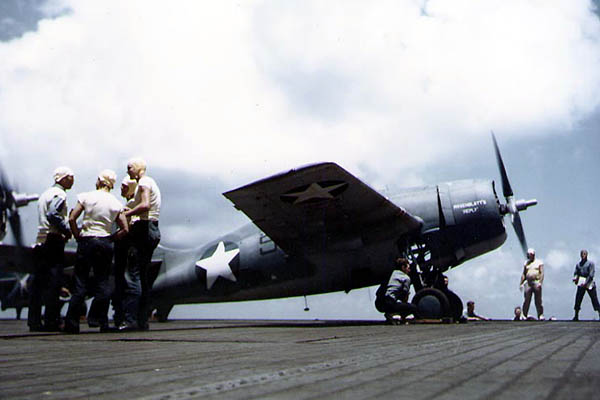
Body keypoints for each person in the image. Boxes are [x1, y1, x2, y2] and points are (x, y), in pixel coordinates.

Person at [63, 170, 128, 333]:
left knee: (80, 282)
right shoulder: (116, 203)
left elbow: (72, 218)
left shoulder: (86, 196)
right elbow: (125, 228)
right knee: (103, 283)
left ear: (99, 181)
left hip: (87, 241)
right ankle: (102, 323)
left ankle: (72, 323)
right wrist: (111, 238)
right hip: (105, 242)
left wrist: (77, 235)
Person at [27, 167, 74, 332]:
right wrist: (66, 230)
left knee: (38, 282)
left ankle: (33, 321)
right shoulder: (59, 194)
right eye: (70, 177)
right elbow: (53, 214)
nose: (73, 180)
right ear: (63, 179)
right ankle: (51, 320)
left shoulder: (44, 194)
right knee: (54, 282)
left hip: (40, 240)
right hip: (53, 240)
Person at [121, 158, 161, 331]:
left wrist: (128, 213)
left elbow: (145, 204)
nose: (128, 171)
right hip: (152, 228)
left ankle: (130, 320)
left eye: (129, 168)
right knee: (142, 277)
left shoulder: (144, 182)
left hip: (143, 229)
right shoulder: (151, 183)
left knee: (133, 276)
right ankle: (142, 320)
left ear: (138, 168)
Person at [110, 176, 137, 328]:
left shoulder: (130, 206)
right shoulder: (130, 204)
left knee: (129, 282)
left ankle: (127, 318)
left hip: (126, 250)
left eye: (125, 186)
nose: (121, 189)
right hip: (125, 250)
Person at [375, 258, 418, 324]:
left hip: (378, 304)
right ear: (403, 267)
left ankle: (391, 313)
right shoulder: (406, 278)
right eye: (408, 268)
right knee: (413, 308)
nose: (409, 270)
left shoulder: (390, 274)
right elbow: (404, 297)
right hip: (389, 302)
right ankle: (394, 315)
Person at [572, 249, 600, 321]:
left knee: (594, 299)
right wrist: (575, 279)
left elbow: (591, 274)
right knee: (578, 299)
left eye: (584, 254)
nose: (583, 255)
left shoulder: (590, 263)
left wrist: (586, 283)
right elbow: (576, 273)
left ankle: (599, 313)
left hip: (589, 283)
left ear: (587, 255)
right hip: (581, 283)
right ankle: (576, 315)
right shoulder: (578, 264)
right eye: (582, 254)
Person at [519, 248, 544, 320]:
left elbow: (542, 273)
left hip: (536, 282)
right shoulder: (526, 263)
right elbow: (524, 273)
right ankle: (524, 314)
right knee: (527, 299)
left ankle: (540, 314)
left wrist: (540, 282)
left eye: (530, 255)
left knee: (538, 300)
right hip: (528, 282)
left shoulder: (539, 262)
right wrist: (521, 283)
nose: (528, 256)